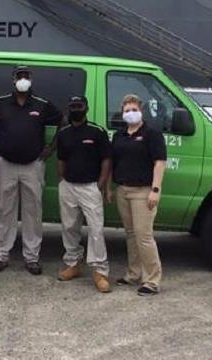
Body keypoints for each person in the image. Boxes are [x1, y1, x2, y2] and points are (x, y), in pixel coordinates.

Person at [0, 66, 63, 275]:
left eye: (26, 76)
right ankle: (1, 256)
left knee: (33, 212)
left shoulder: (42, 104)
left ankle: (32, 257)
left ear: (31, 80)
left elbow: (64, 121)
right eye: (19, 76)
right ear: (13, 80)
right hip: (5, 164)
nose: (23, 79)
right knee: (3, 210)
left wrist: (51, 148)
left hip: (33, 166)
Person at [108, 93, 167, 296]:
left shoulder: (151, 133)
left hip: (143, 192)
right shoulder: (120, 134)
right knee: (131, 235)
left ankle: (152, 280)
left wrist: (155, 190)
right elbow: (112, 162)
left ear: (141, 111)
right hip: (123, 190)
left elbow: (159, 162)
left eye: (134, 110)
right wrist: (109, 187)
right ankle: (133, 274)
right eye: (127, 110)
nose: (130, 113)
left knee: (144, 236)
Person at [56, 96, 112, 293]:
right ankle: (73, 264)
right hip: (68, 186)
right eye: (72, 107)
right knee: (69, 227)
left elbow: (106, 159)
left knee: (96, 229)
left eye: (79, 106)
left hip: (90, 187)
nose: (75, 110)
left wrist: (101, 184)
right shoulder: (63, 133)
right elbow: (61, 159)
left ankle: (99, 271)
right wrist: (62, 180)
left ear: (86, 109)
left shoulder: (97, 132)